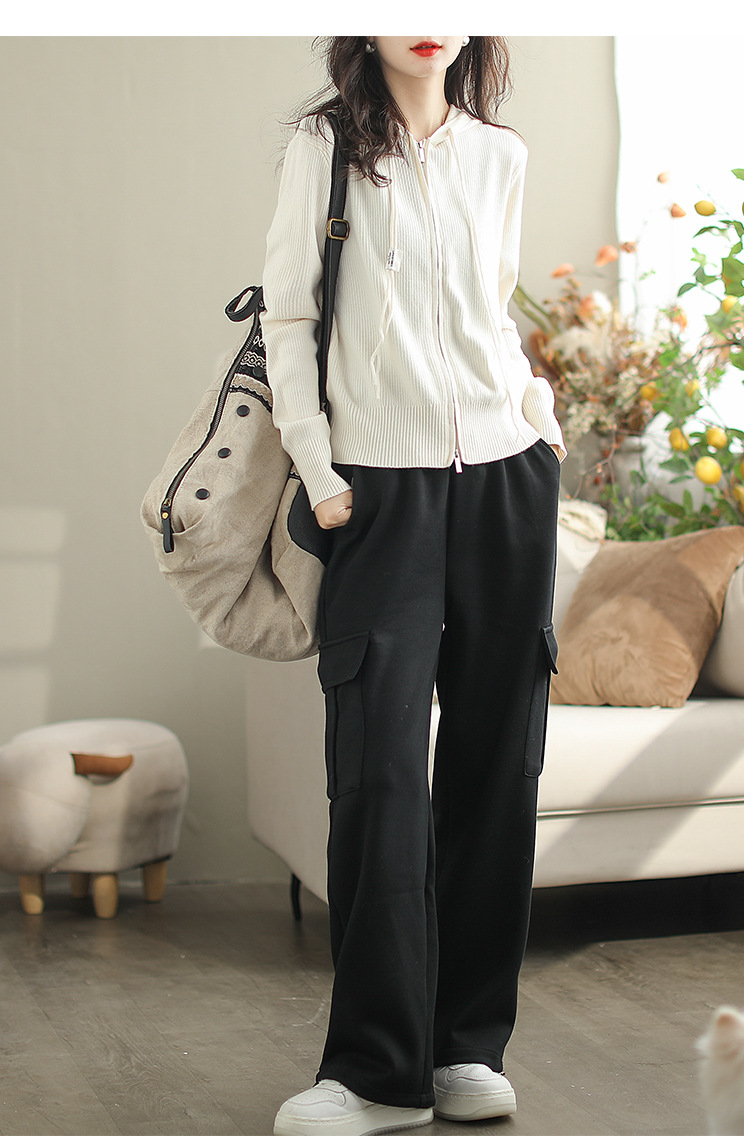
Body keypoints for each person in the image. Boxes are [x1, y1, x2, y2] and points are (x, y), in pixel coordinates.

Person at [260, 36, 566, 1136]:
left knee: (497, 767)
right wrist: (319, 468)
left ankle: (465, 1049)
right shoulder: (325, 145)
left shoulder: (500, 154)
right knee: (378, 775)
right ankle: (375, 1071)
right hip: (375, 493)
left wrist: (539, 420)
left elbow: (492, 308)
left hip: (505, 480)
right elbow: (290, 315)